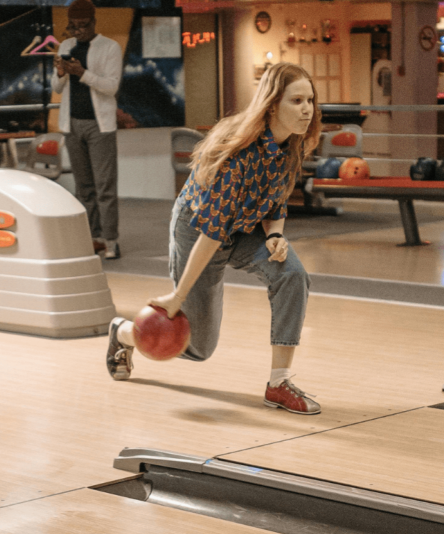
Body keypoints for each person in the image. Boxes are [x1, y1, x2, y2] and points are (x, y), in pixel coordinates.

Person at [105, 62, 324, 415]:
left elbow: (277, 199)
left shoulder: (292, 144)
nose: (307, 109)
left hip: (244, 228)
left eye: (310, 100)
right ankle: (125, 333)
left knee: (292, 274)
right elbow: (212, 233)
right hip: (198, 229)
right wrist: (177, 296)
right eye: (296, 100)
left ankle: (279, 383)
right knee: (198, 346)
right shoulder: (238, 154)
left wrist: (276, 235)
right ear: (271, 105)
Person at [53, 0, 124, 259]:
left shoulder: (110, 47)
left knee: (105, 186)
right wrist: (61, 72)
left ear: (93, 22)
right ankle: (93, 237)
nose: (77, 31)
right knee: (84, 187)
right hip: (72, 124)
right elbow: (57, 88)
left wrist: (82, 73)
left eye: (82, 26)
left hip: (100, 125)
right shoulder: (66, 45)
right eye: (73, 27)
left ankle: (111, 240)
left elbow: (111, 87)